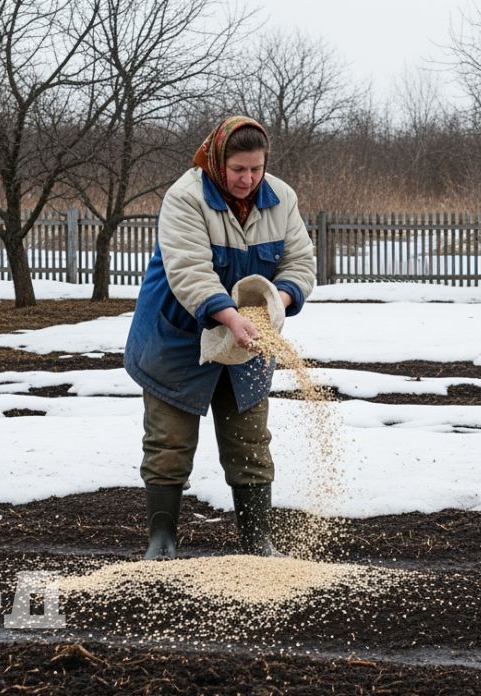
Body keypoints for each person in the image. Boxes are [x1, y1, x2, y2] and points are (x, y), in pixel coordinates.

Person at [124, 116, 316, 560]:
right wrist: (229, 317)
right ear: (217, 162)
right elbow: (190, 270)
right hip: (178, 338)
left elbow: (300, 263)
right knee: (168, 444)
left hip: (251, 337)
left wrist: (277, 302)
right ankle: (162, 542)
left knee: (250, 443)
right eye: (238, 170)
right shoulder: (186, 197)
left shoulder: (281, 198)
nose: (248, 179)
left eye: (256, 169)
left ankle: (256, 543)